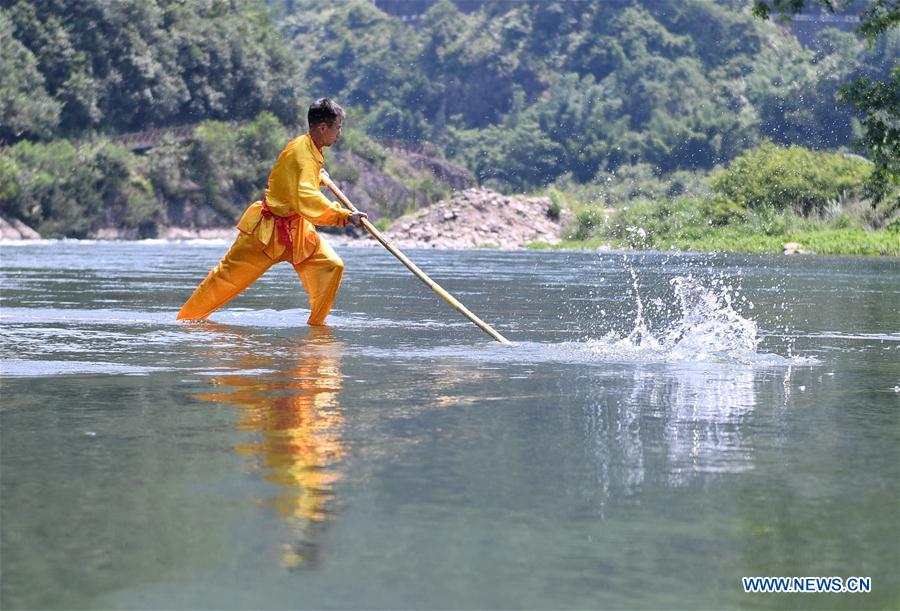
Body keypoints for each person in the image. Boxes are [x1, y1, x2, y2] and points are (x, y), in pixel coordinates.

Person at [177, 98, 367, 325]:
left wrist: (318, 176)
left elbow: (295, 182)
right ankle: (186, 321)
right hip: (266, 232)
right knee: (225, 278)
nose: (340, 133)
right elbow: (306, 197)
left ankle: (317, 327)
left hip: (297, 231)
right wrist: (344, 216)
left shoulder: (310, 148)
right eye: (338, 127)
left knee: (331, 266)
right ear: (323, 128)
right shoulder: (301, 153)